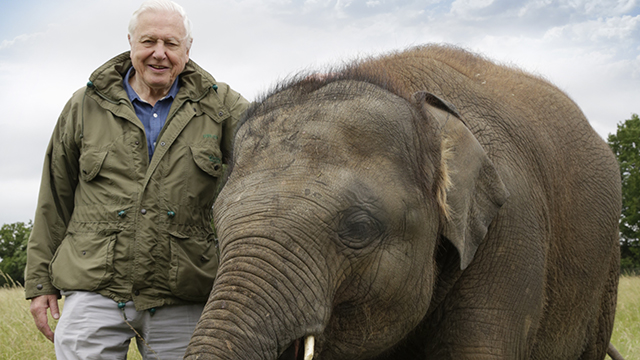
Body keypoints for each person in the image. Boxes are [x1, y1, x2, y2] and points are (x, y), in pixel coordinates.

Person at [24, 1, 249, 358]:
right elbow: (54, 195)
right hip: (93, 290)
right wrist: (40, 283)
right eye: (148, 42)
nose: (159, 54)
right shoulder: (84, 104)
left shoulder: (221, 105)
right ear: (130, 43)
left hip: (183, 295)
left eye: (171, 44)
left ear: (187, 50)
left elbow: (272, 145)